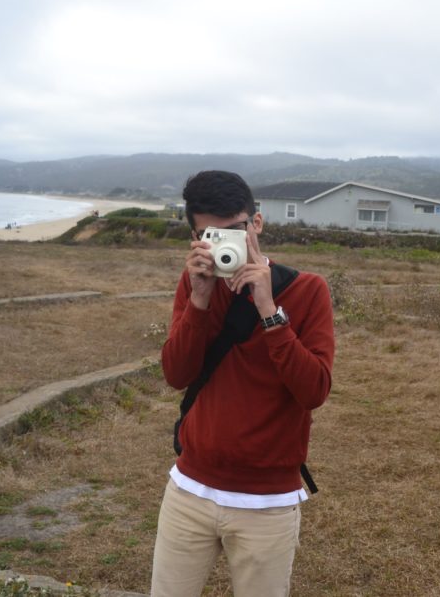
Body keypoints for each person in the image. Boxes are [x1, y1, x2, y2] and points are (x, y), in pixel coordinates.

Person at [151, 170, 335, 597]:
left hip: (267, 504)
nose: (224, 244)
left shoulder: (308, 291)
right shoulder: (196, 285)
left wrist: (269, 308)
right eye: (209, 235)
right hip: (189, 491)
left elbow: (314, 391)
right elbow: (176, 375)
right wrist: (198, 299)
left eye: (234, 230)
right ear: (195, 236)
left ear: (257, 223)